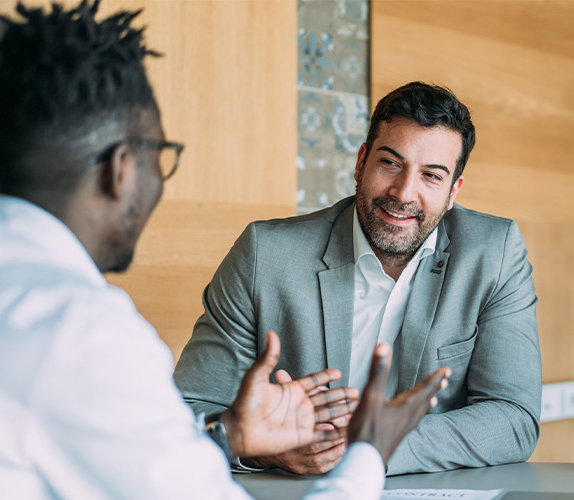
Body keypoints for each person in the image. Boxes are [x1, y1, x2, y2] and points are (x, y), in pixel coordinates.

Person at [0, 2, 448, 497]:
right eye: (162, 156)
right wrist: (369, 451)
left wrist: (230, 435)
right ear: (121, 168)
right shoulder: (81, 333)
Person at [173, 81, 542, 475]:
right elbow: (188, 409)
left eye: (431, 176)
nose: (403, 193)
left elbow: (513, 418)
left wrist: (366, 448)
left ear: (454, 191)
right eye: (390, 163)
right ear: (361, 161)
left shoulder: (494, 253)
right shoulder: (265, 254)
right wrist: (263, 448)